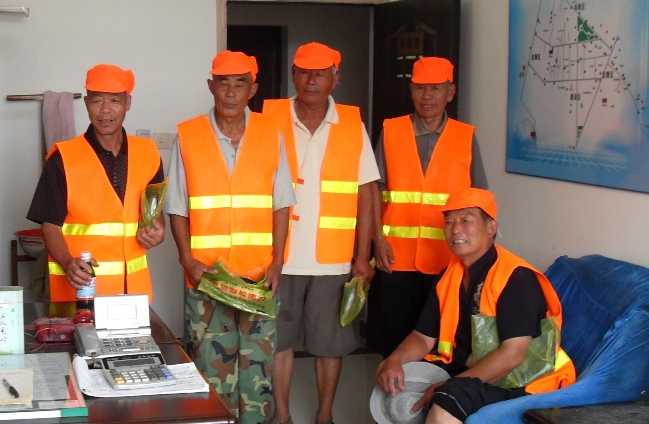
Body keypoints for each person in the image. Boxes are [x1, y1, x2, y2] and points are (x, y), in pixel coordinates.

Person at [164, 50, 295, 424]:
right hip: (208, 278)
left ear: (253, 89)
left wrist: (278, 261)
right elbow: (177, 208)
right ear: (211, 87)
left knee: (257, 369)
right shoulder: (188, 135)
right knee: (209, 368)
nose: (231, 92)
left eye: (240, 84)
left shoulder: (270, 133)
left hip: (259, 277)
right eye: (224, 84)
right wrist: (187, 260)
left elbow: (281, 205)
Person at [374, 188, 576, 423]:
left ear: (491, 228)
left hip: (526, 378)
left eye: (466, 220)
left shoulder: (515, 278)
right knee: (392, 373)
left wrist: (450, 384)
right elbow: (423, 337)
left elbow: (512, 356)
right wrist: (395, 360)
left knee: (447, 396)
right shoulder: (449, 276)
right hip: (473, 368)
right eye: (449, 221)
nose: (455, 229)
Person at [262, 42, 379, 424]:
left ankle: (324, 415)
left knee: (331, 345)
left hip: (333, 259)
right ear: (293, 75)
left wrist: (363, 256)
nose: (311, 80)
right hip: (279, 257)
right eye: (304, 72)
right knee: (277, 341)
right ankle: (282, 415)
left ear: (335, 78)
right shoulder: (268, 117)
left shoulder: (352, 124)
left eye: (320, 73)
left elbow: (366, 191)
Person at [369, 57, 489, 358]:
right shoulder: (391, 130)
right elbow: (374, 191)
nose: (427, 96)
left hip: (448, 257)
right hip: (395, 257)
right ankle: (391, 388)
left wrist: (478, 254)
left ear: (450, 93)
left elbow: (479, 199)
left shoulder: (465, 136)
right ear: (411, 90)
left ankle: (434, 389)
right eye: (420, 88)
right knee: (394, 338)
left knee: (443, 337)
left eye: (436, 88)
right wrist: (377, 240)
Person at [27, 64, 165, 302]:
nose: (105, 110)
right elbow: (50, 226)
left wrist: (157, 231)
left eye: (115, 101)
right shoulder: (63, 158)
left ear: (128, 103)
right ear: (86, 103)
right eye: (97, 101)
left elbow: (154, 214)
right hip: (81, 294)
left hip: (132, 296)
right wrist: (68, 262)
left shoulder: (148, 154)